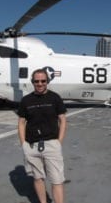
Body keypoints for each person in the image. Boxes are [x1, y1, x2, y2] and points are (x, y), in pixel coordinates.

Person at [17, 68, 67, 203]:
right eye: (36, 81)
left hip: (52, 144)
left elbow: (62, 119)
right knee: (37, 178)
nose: (40, 84)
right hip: (31, 146)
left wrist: (59, 142)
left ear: (47, 81)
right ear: (32, 82)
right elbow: (21, 122)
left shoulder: (55, 98)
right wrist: (23, 144)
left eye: (43, 81)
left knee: (57, 180)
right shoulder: (26, 100)